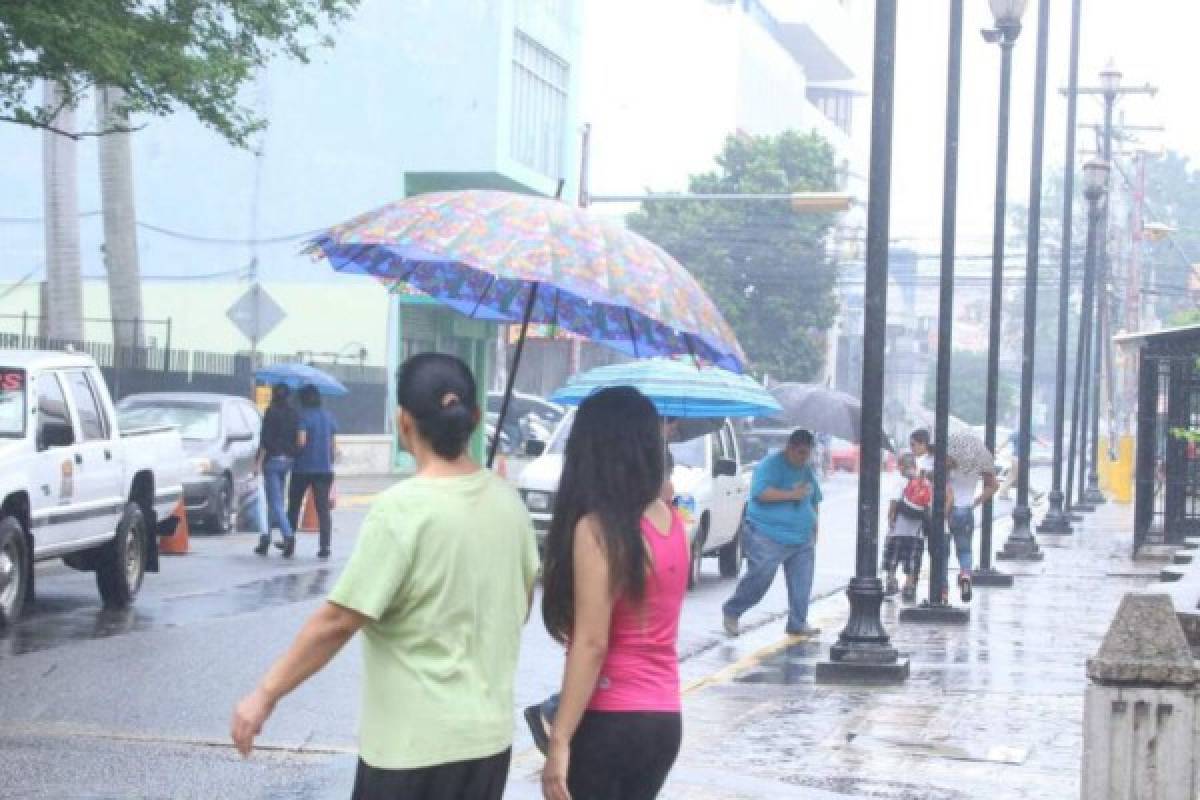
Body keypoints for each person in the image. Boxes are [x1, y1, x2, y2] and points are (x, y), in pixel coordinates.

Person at [231, 354, 539, 799]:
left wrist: (265, 694)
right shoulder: (510, 505)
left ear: (403, 421)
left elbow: (338, 622)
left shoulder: (403, 509)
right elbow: (520, 606)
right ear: (474, 417)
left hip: (411, 750)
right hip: (487, 746)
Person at [538, 387, 686, 800]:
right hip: (663, 720)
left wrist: (560, 740)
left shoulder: (598, 530)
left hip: (610, 719)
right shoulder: (672, 524)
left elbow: (591, 642)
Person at [722, 428, 823, 638]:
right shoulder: (770, 465)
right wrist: (791, 494)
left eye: (808, 453)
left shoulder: (806, 470)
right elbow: (760, 493)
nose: (804, 457)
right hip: (767, 534)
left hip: (801, 538)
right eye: (801, 453)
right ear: (790, 448)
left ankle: (798, 621)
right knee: (760, 578)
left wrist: (815, 527)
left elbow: (814, 499)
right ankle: (732, 611)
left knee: (802, 582)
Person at [287, 384, 338, 559]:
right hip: (324, 469)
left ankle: (289, 542)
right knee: (323, 509)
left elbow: (301, 441)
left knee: (294, 506)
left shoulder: (302, 416)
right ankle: (325, 546)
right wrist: (330, 461)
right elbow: (333, 445)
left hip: (302, 468)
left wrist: (292, 452)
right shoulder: (328, 417)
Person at [254, 384, 301, 558]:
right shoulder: (294, 413)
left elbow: (265, 439)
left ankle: (288, 537)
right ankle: (265, 538)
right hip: (287, 460)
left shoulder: (271, 412)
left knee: (274, 503)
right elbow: (298, 437)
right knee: (276, 500)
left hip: (272, 461)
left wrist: (258, 462)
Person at [946, 454, 999, 604]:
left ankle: (943, 590)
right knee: (965, 549)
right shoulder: (976, 466)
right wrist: (976, 501)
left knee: (943, 550)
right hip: (966, 510)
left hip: (948, 510)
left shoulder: (949, 464)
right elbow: (994, 486)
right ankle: (965, 576)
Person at [882, 453, 930, 602]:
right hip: (917, 531)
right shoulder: (924, 481)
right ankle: (909, 586)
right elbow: (928, 505)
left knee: (893, 558)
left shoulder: (901, 481)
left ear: (902, 466)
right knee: (912, 559)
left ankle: (890, 582)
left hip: (899, 529)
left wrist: (890, 518)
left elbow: (894, 501)